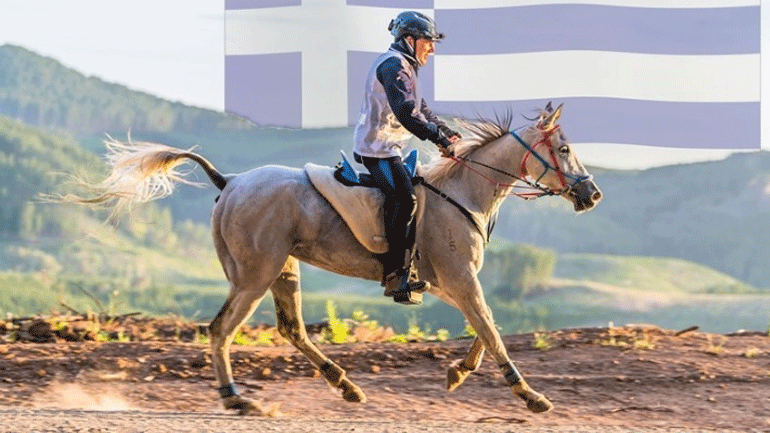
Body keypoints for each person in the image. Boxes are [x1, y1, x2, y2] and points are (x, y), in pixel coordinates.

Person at [353, 11, 461, 302]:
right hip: (376, 149)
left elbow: (422, 110)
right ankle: (396, 276)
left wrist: (447, 133)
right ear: (409, 40)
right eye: (428, 41)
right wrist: (437, 138)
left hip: (390, 148)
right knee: (405, 199)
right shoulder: (393, 67)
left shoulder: (406, 67)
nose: (432, 49)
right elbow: (406, 114)